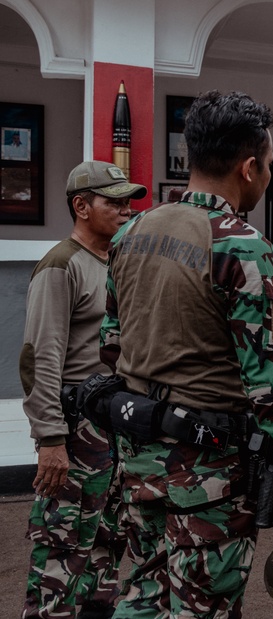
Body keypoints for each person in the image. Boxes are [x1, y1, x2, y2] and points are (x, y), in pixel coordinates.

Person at [99, 90, 273, 617]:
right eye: (270, 165)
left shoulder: (130, 233)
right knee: (203, 604)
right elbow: (272, 385)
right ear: (249, 167)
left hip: (138, 455)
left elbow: (110, 347)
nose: (270, 175)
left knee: (141, 593)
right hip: (207, 474)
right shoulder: (242, 244)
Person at [19, 161, 145, 619]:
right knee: (60, 554)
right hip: (75, 431)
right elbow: (40, 359)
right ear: (81, 206)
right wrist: (51, 439)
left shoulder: (114, 262)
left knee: (106, 548)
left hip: (114, 425)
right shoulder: (61, 264)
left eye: (128, 202)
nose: (126, 210)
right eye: (114, 202)